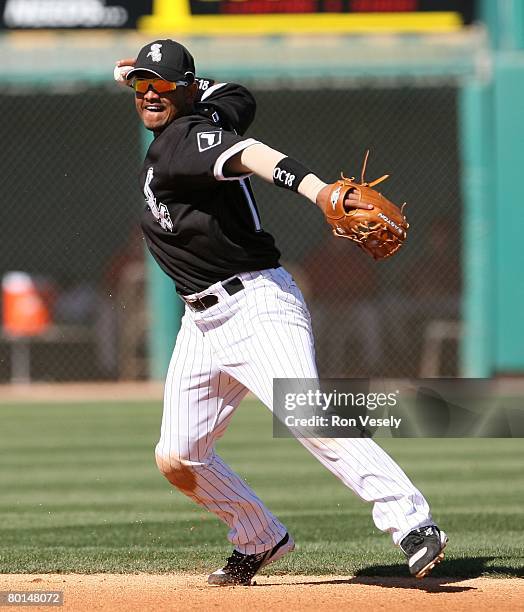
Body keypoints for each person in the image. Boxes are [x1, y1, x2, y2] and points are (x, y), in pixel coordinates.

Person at [114, 39, 448, 586]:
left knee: (307, 414)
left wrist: (318, 192)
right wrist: (153, 74)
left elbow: (253, 155)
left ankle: (413, 524)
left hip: (255, 306)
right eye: (139, 85)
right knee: (178, 455)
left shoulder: (183, 141)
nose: (148, 93)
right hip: (200, 322)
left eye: (160, 84)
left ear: (186, 89)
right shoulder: (211, 109)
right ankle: (259, 537)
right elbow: (234, 96)